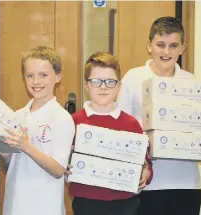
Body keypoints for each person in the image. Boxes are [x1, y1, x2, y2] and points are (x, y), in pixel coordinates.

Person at [116, 16, 201, 215]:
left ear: (182, 48)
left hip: (186, 184)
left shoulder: (192, 84)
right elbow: (122, 130)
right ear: (149, 46)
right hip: (147, 184)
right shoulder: (133, 78)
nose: (166, 52)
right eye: (160, 45)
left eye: (173, 46)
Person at [67, 52, 153, 215]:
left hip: (124, 204)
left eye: (110, 82)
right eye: (96, 81)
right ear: (86, 85)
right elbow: (62, 162)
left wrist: (146, 173)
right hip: (86, 203)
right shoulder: (73, 122)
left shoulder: (131, 123)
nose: (103, 87)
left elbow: (146, 163)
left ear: (119, 87)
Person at [0, 46, 75, 215]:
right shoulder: (17, 116)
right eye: (30, 75)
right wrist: (5, 153)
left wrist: (26, 146)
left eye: (43, 75)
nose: (36, 81)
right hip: (15, 204)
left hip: (44, 206)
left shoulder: (62, 118)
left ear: (57, 76)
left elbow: (58, 170)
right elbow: (13, 165)